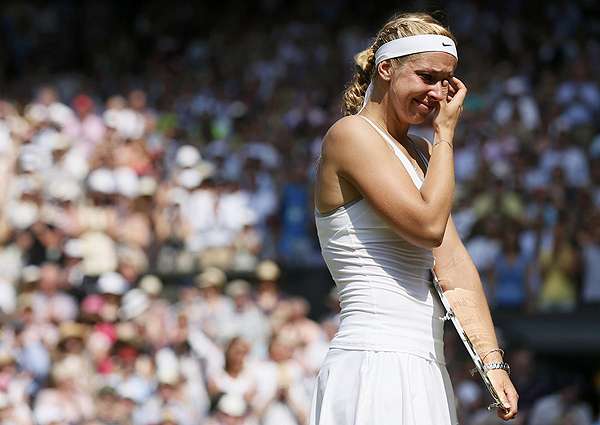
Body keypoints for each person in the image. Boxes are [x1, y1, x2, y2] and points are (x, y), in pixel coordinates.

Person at [311, 12, 518, 424]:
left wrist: (493, 364)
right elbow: (427, 227)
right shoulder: (350, 134)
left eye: (447, 81)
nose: (438, 94)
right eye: (427, 76)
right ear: (386, 69)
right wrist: (446, 138)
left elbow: (454, 263)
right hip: (373, 363)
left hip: (426, 362)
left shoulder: (422, 151)